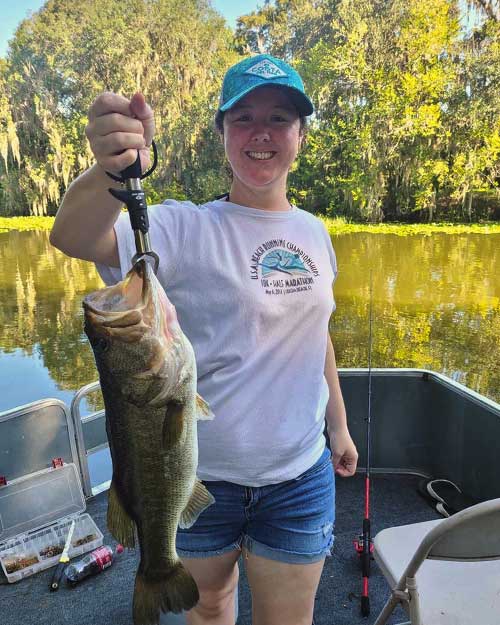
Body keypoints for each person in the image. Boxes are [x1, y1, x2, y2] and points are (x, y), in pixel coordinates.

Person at [50, 53, 359, 625]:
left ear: (300, 135)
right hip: (194, 480)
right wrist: (111, 170)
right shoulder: (184, 227)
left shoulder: (315, 233)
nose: (261, 133)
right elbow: (71, 235)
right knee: (209, 610)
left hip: (298, 476)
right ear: (221, 133)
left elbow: (317, 336)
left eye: (280, 118)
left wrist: (337, 426)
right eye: (242, 118)